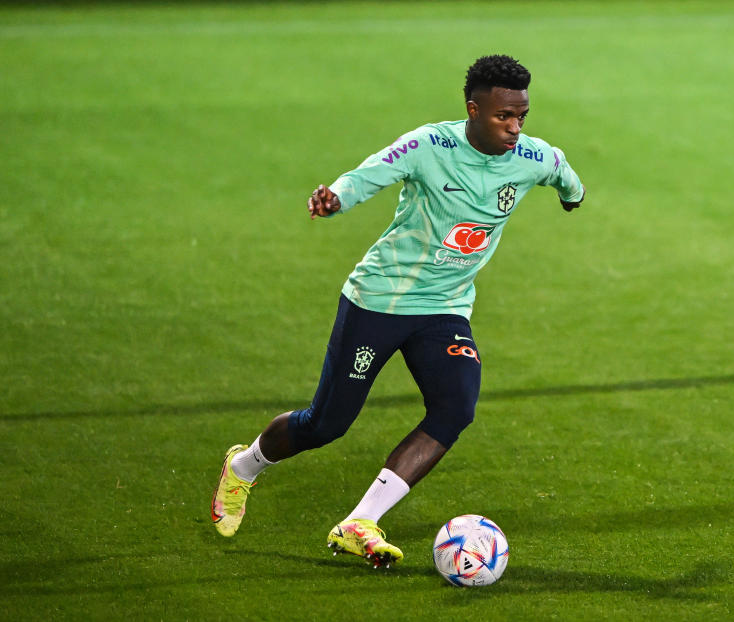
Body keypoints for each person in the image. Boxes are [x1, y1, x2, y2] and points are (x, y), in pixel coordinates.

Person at [211, 54, 585, 568]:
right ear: (474, 110)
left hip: (445, 308)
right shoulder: (429, 146)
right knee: (326, 425)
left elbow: (566, 176)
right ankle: (245, 466)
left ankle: (360, 521)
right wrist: (334, 199)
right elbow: (368, 175)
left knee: (456, 406)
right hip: (380, 300)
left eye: (522, 116)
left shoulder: (533, 157)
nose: (515, 127)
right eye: (504, 117)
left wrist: (573, 197)